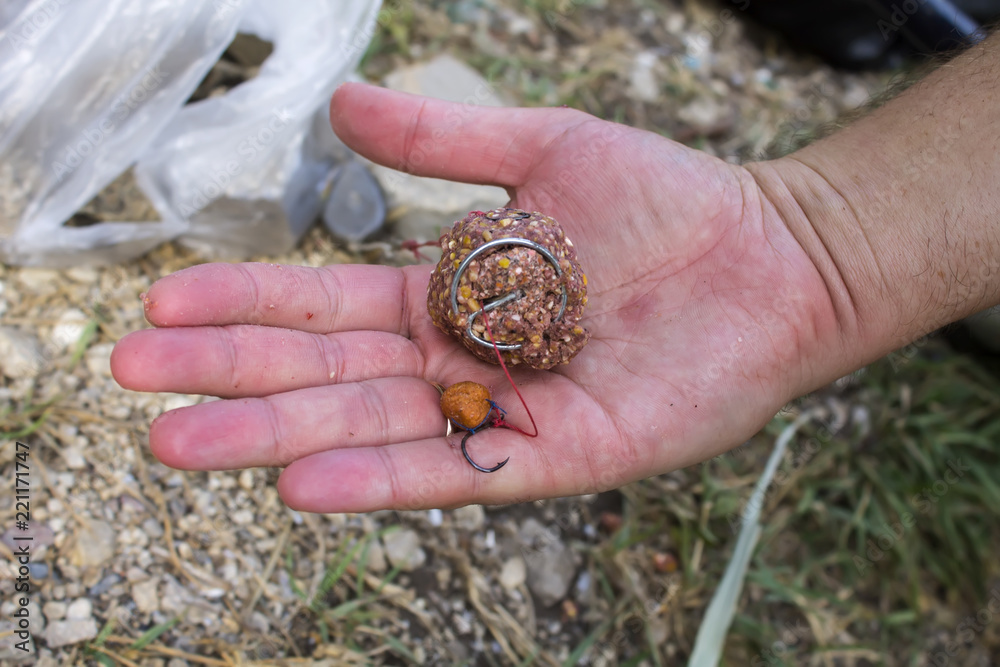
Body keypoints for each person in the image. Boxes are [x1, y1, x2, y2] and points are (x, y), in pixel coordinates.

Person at [110, 32, 1000, 514]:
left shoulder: (522, 326)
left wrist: (816, 252)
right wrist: (820, 249)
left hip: (507, 310)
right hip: (493, 311)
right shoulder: (490, 326)